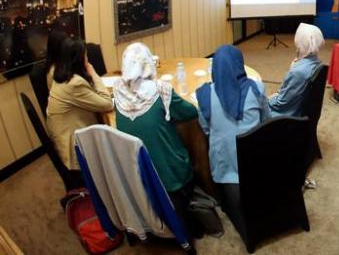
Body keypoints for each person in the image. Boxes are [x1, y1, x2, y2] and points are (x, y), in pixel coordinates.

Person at [114, 43, 201, 239]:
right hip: (170, 175)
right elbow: (190, 112)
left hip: (137, 173)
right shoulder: (160, 90)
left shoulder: (117, 90)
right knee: (186, 151)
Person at [196, 45, 270, 227]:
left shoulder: (204, 94)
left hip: (225, 166)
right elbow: (266, 120)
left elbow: (206, 129)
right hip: (256, 159)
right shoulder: (256, 88)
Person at [47, 38, 113, 172]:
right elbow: (108, 104)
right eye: (85, 56)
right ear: (79, 60)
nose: (88, 60)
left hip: (66, 137)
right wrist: (92, 72)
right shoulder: (74, 84)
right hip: (76, 150)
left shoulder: (60, 74)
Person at [269, 23, 324, 117]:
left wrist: (266, 100)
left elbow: (280, 104)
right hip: (299, 108)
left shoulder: (298, 71)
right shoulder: (316, 61)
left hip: (285, 116)